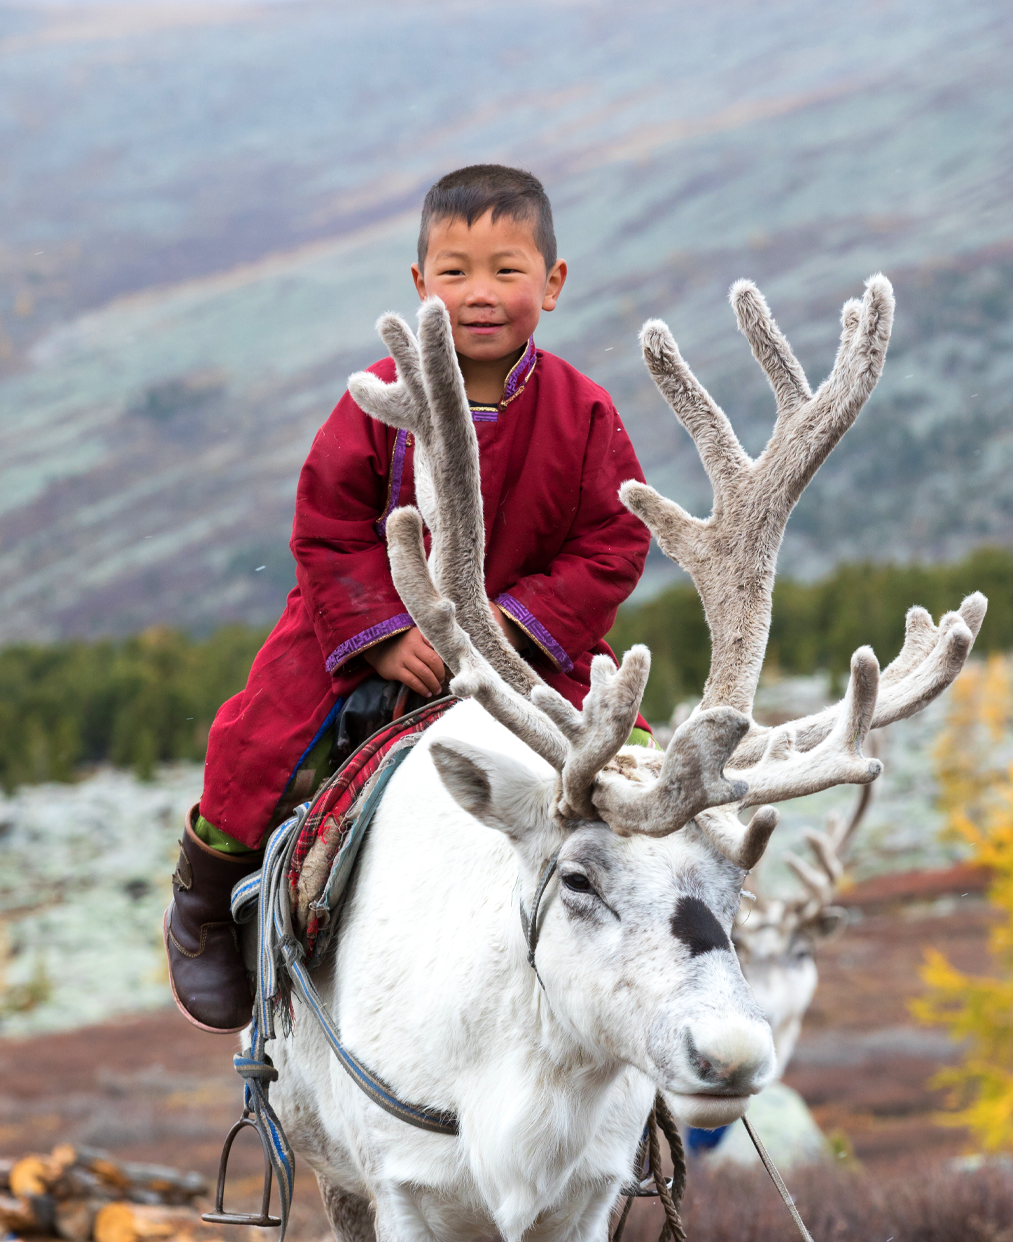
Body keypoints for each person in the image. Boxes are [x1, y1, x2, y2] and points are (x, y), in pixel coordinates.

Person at [165, 163, 652, 1031]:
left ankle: (645, 939)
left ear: (554, 281)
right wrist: (386, 634)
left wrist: (518, 623)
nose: (480, 294)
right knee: (259, 739)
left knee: (626, 767)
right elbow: (326, 525)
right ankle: (205, 898)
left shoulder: (584, 413)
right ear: (420, 283)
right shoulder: (376, 399)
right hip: (370, 622)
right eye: (456, 272)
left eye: (508, 270)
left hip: (529, 648)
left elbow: (613, 539)